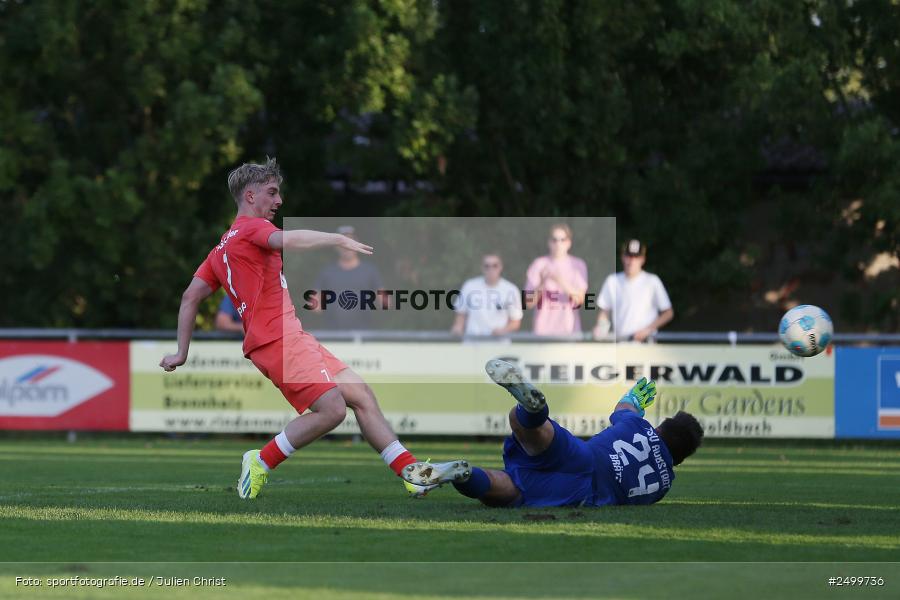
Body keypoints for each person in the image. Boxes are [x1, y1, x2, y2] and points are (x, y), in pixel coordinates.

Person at [159, 158, 428, 499]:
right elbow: (290, 239)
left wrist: (182, 352)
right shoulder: (251, 229)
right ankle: (260, 461)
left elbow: (189, 296)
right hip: (278, 340)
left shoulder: (220, 249)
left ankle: (412, 472)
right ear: (251, 196)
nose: (279, 201)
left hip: (291, 337)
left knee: (360, 395)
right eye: (272, 193)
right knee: (331, 410)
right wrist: (336, 239)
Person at [402, 360, 703, 507]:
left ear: (661, 426)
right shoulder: (663, 487)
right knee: (512, 491)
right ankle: (465, 475)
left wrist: (636, 398)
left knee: (525, 427)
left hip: (584, 456)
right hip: (585, 493)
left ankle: (533, 410)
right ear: (680, 459)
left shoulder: (640, 427)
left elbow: (625, 408)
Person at [593, 239, 674, 342]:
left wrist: (648, 330)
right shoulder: (612, 281)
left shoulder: (652, 281)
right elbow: (604, 311)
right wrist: (601, 329)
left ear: (643, 259)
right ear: (622, 257)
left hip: (646, 344)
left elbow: (668, 313)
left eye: (636, 257)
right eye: (628, 256)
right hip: (621, 344)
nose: (631, 261)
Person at [310, 225, 387, 330]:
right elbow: (315, 304)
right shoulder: (327, 272)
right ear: (335, 247)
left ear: (358, 244)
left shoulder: (370, 271)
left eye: (350, 242)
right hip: (333, 335)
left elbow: (384, 302)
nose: (347, 247)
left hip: (364, 334)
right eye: (342, 243)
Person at [524, 224, 588, 336]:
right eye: (554, 240)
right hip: (542, 332)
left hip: (569, 331)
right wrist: (542, 284)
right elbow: (528, 303)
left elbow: (580, 300)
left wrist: (559, 280)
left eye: (563, 240)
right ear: (549, 242)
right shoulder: (538, 264)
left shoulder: (578, 265)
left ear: (569, 243)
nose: (558, 243)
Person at [451, 253, 523, 339]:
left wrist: (504, 330)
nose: (491, 269)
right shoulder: (469, 286)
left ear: (501, 267)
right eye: (487, 266)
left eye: (495, 265)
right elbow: (461, 315)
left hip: (498, 345)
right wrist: (457, 329)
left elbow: (515, 322)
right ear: (482, 268)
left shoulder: (511, 290)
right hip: (472, 344)